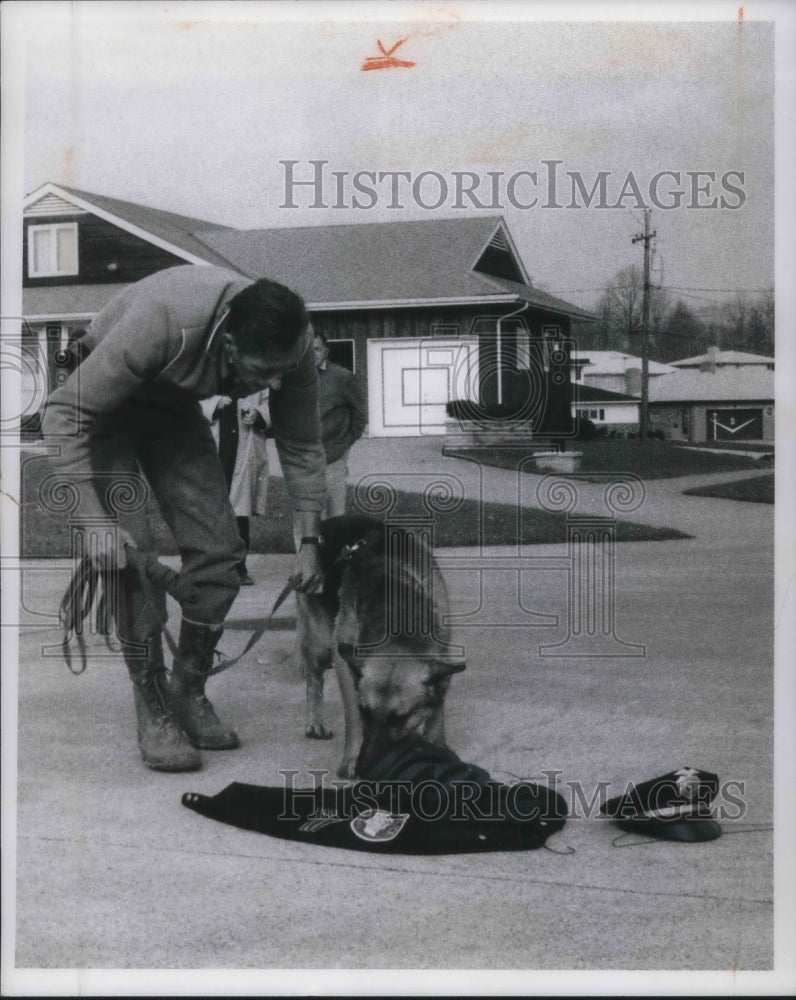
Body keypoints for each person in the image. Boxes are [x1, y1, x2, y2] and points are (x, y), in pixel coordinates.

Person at [42, 265, 327, 773]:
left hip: (169, 403)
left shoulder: (294, 347)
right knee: (130, 551)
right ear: (228, 342)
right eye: (262, 374)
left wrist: (310, 538)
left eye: (281, 371)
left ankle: (187, 689)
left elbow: (303, 445)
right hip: (102, 400)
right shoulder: (165, 322)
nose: (276, 384)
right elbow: (64, 415)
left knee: (220, 547)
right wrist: (92, 523)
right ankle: (151, 699)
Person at [201, 390, 271, 585]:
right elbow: (192, 402)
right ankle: (211, 567)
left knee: (239, 512)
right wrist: (215, 404)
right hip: (216, 445)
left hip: (244, 446)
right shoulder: (210, 369)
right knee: (212, 511)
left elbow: (270, 405)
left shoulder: (255, 374)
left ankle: (239, 567)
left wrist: (259, 414)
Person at [313, 329, 367, 516]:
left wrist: (344, 443)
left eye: (316, 349)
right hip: (304, 461)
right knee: (305, 516)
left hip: (333, 458)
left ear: (326, 351)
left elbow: (360, 416)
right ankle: (303, 547)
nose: (312, 355)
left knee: (334, 515)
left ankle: (332, 546)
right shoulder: (295, 379)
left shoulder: (342, 377)